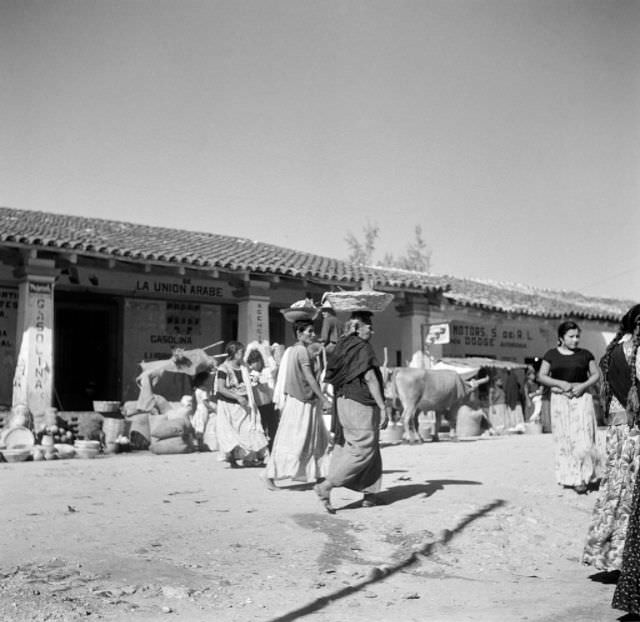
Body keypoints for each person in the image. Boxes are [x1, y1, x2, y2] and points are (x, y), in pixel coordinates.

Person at [583, 304, 640, 577]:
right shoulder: (630, 351)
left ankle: (609, 555)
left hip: (619, 431)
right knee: (628, 491)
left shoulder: (615, 351)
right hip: (631, 430)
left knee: (617, 489)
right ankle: (620, 558)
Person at [313, 311, 388, 514]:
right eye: (368, 326)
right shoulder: (362, 348)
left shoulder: (341, 346)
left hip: (343, 403)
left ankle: (370, 494)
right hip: (359, 404)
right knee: (363, 448)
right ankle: (327, 485)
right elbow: (370, 377)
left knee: (364, 445)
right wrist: (382, 406)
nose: (372, 330)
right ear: (356, 327)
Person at [263, 318, 331, 488]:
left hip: (302, 399)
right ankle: (270, 474)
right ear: (299, 333)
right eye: (309, 331)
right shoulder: (301, 351)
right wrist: (324, 398)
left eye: (313, 331)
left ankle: (318, 473)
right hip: (301, 401)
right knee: (296, 438)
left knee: (313, 437)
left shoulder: (293, 350)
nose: (313, 334)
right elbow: (308, 377)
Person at [537, 320, 601, 494]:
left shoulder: (585, 354)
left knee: (585, 439)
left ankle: (585, 476)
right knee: (565, 440)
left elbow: (595, 374)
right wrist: (560, 383)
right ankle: (571, 477)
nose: (575, 340)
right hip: (560, 399)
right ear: (561, 338)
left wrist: (582, 386)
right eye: (571, 336)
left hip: (582, 398)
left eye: (577, 336)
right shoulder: (551, 354)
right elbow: (542, 376)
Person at [215, 341, 268, 468]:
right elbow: (221, 388)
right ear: (233, 353)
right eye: (240, 352)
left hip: (244, 405)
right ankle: (232, 459)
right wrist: (237, 397)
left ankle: (249, 459)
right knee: (231, 433)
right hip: (229, 406)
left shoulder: (243, 366)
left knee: (248, 430)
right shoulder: (223, 368)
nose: (243, 354)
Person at [246, 348, 279, 453]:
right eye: (253, 362)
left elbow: (274, 368)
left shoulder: (267, 371)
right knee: (261, 429)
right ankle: (262, 452)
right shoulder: (251, 374)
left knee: (273, 428)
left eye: (257, 361)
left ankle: (272, 449)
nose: (255, 364)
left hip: (270, 404)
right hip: (259, 406)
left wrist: (269, 355)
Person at [191, 370, 215, 452]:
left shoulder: (197, 390)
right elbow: (205, 402)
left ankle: (199, 444)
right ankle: (200, 445)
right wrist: (212, 409)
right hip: (203, 409)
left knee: (199, 425)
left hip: (198, 408)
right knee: (202, 426)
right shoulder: (204, 390)